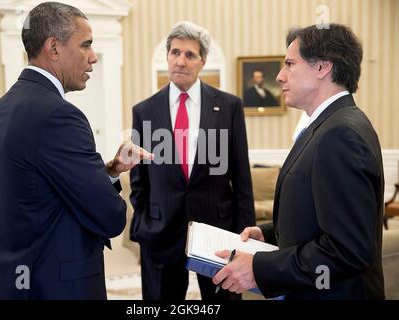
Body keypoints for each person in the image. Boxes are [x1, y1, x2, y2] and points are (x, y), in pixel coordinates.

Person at [0, 2, 152, 300]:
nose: (93, 57)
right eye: (86, 45)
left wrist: (110, 171)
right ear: (53, 48)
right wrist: (109, 192)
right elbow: (110, 217)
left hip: (18, 277)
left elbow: (42, 190)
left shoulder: (5, 105)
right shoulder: (60, 115)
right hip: (57, 283)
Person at [213, 23, 385, 300]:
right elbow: (317, 219)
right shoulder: (327, 126)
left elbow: (347, 250)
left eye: (290, 64)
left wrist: (259, 267)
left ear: (322, 68)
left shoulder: (340, 134)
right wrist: (268, 235)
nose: (280, 76)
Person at [129, 21, 255, 300]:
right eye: (175, 53)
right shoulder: (144, 111)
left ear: (203, 61)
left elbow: (242, 178)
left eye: (189, 55)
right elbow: (139, 181)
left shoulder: (229, 106)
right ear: (167, 57)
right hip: (160, 233)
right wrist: (143, 222)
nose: (180, 61)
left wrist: (244, 237)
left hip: (217, 233)